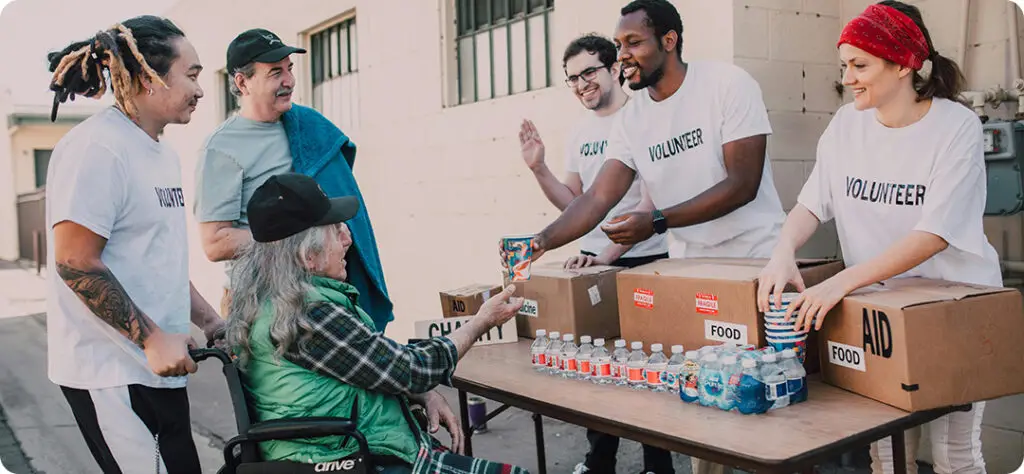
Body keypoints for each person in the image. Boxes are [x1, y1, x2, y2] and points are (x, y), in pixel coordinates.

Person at [756, 2, 995, 473]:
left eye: (860, 65)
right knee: (886, 453)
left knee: (954, 457)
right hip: (881, 310)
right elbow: (811, 203)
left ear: (904, 64)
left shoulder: (956, 127)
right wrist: (782, 252)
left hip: (955, 308)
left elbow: (933, 235)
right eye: (844, 65)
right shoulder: (847, 125)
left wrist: (842, 282)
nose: (848, 77)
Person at [227, 172, 528, 474]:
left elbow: (374, 365)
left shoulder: (270, 302)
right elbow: (412, 369)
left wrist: (420, 392)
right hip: (350, 458)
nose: (348, 239)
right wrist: (481, 322)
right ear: (308, 256)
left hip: (330, 450)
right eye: (335, 231)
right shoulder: (307, 315)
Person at [44, 16, 225, 473]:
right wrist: (151, 339)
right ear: (148, 77)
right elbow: (74, 261)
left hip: (156, 369)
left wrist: (210, 322)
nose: (201, 90)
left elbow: (154, 261)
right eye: (192, 75)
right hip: (110, 372)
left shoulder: (160, 153)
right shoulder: (98, 149)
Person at [525, 0, 785, 269]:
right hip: (689, 260)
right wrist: (541, 241)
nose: (622, 54)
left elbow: (742, 184)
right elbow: (597, 198)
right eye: (618, 45)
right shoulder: (630, 119)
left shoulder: (727, 84)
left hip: (755, 253)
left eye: (634, 43)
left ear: (668, 40)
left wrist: (658, 221)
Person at [193, 28, 395, 336]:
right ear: (242, 82)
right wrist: (297, 236)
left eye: (289, 69)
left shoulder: (309, 126)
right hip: (263, 304)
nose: (289, 80)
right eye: (275, 72)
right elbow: (215, 242)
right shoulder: (221, 148)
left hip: (326, 294)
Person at [518, 33, 668, 272]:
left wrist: (606, 256)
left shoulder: (645, 118)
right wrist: (539, 168)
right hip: (590, 259)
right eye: (573, 78)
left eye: (589, 73)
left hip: (644, 259)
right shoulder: (580, 130)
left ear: (615, 70)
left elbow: (650, 204)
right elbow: (574, 203)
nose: (581, 84)